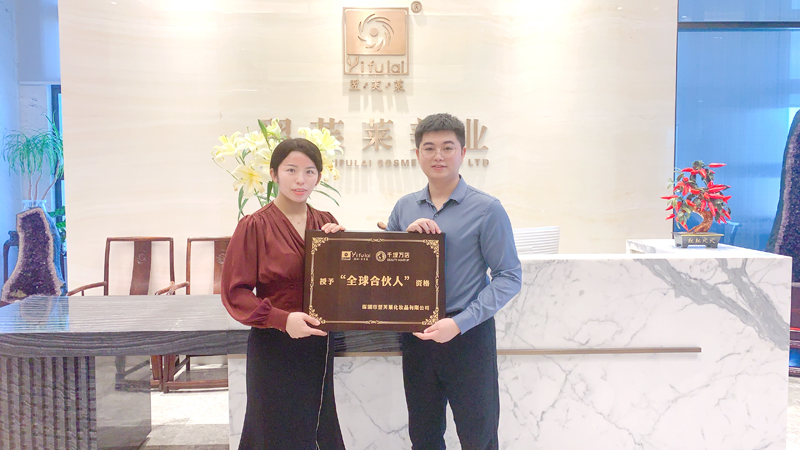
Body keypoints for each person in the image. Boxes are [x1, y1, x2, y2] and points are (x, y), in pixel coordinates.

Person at [386, 113, 522, 450]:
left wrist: (459, 323)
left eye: (448, 147)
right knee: (424, 437)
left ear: (462, 152)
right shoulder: (404, 208)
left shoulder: (486, 209)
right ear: (417, 154)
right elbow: (386, 271)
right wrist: (405, 240)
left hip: (468, 336)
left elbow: (508, 276)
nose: (438, 156)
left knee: (479, 436)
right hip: (417, 337)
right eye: (429, 148)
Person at [221, 138, 347, 450]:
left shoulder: (326, 222)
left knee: (317, 426)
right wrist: (281, 319)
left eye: (309, 171)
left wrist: (343, 248)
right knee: (271, 428)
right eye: (291, 170)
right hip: (274, 344)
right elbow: (235, 292)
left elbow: (342, 284)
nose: (300, 180)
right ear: (274, 174)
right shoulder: (254, 225)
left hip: (318, 344)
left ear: (319, 177)